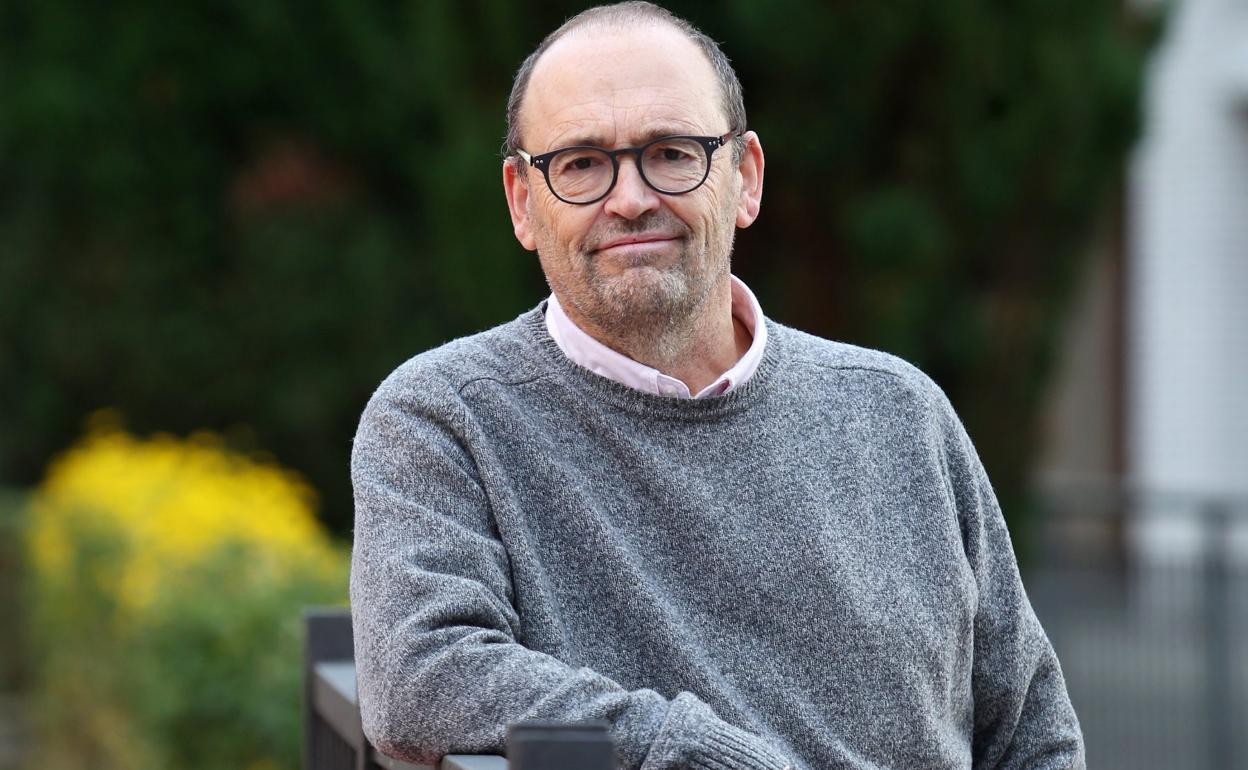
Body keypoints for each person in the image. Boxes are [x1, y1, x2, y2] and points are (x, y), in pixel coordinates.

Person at [348, 3, 1085, 769]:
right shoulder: (445, 418)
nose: (629, 198)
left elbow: (1033, 733)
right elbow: (421, 677)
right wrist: (691, 752)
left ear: (746, 179)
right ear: (522, 203)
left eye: (671, 153)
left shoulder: (900, 414)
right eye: (580, 164)